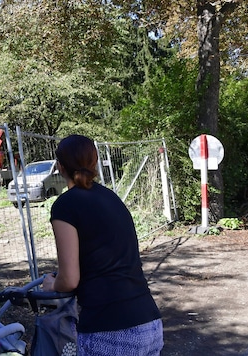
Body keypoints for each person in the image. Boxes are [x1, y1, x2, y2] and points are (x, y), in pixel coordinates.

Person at [42, 134, 163, 355]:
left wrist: (52, 285)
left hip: (109, 329)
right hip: (149, 322)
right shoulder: (111, 198)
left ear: (60, 166)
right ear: (95, 162)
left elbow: (69, 279)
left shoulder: (65, 206)